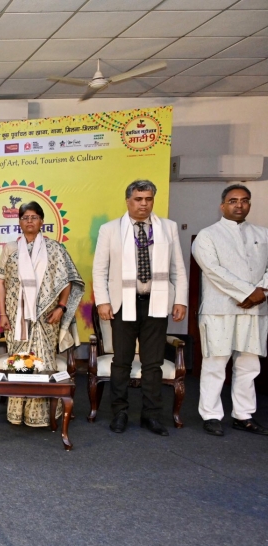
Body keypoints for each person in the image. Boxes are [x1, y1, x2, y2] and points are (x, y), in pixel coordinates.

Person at [92, 179, 188, 436]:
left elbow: (178, 268)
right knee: (121, 362)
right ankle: (120, 413)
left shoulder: (168, 227)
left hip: (156, 302)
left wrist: (180, 300)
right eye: (138, 199)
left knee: (153, 363)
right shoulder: (110, 229)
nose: (143, 204)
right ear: (128, 201)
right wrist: (103, 301)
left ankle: (151, 415)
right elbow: (100, 270)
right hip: (123, 303)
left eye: (148, 199)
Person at [0, 202, 85, 427]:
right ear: (19, 222)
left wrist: (61, 307)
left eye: (34, 217)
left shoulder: (55, 249)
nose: (29, 221)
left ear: (41, 221)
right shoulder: (10, 249)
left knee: (42, 362)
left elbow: (67, 282)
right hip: (16, 317)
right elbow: (1, 283)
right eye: (25, 217)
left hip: (46, 318)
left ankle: (43, 414)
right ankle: (18, 413)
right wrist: (2, 314)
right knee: (20, 363)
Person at [192, 184, 268, 437]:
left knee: (249, 364)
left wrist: (262, 292)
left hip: (255, 309)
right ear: (222, 206)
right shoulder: (208, 235)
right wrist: (248, 292)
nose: (239, 205)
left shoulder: (263, 234)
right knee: (215, 363)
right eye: (233, 200)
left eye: (244, 200)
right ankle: (211, 415)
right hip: (219, 308)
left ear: (249, 205)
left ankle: (243, 415)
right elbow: (213, 270)